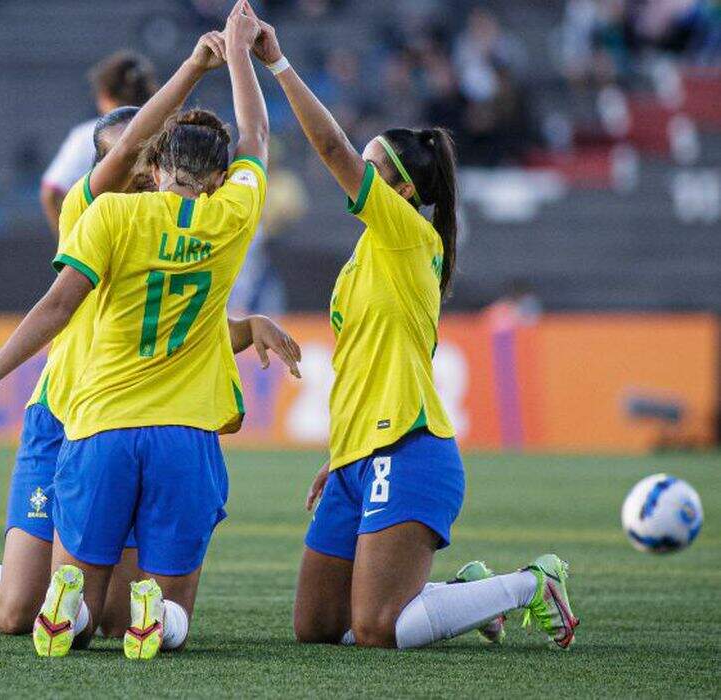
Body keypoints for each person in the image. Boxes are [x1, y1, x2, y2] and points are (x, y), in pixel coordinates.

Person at [0, 30, 301, 641]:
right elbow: (73, 305)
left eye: (143, 163)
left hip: (114, 421)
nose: (133, 171)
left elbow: (164, 321)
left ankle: (78, 612)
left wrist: (244, 327)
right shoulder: (90, 209)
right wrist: (213, 64)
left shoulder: (129, 216)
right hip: (63, 415)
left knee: (110, 621)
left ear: (160, 166)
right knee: (14, 611)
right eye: (121, 161)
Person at [244, 9, 579, 649]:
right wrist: (338, 454)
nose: (359, 174)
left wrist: (278, 64)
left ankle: (530, 583)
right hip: (356, 454)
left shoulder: (406, 235)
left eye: (374, 167)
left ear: (400, 190)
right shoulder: (365, 256)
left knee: (375, 629)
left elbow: (331, 149)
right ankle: (454, 595)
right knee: (316, 630)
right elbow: (371, 362)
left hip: (410, 448)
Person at [39, 50, 157, 236]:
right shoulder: (171, 129)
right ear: (152, 90)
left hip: (107, 246)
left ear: (104, 96)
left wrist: (71, 247)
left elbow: (51, 192)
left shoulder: (88, 135)